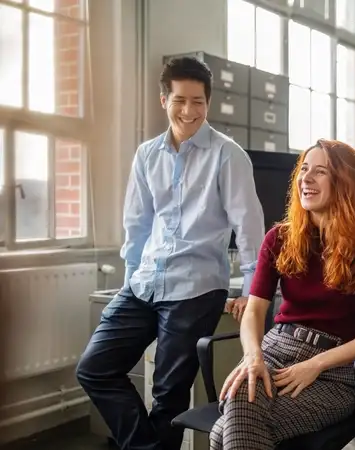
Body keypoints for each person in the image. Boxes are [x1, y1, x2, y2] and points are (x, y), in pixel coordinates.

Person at [76, 56, 265, 450]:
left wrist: (250, 289)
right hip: (144, 283)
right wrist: (130, 280)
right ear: (164, 100)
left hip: (197, 288)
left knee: (168, 395)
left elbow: (249, 229)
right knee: (94, 368)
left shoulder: (228, 156)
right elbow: (138, 224)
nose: (189, 110)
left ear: (208, 103)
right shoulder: (147, 155)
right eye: (180, 100)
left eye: (198, 101)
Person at [209, 139, 355, 450]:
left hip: (333, 372)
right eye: (304, 169)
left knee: (224, 432)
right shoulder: (279, 238)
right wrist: (253, 356)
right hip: (275, 350)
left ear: (344, 183)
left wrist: (316, 364)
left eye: (320, 172)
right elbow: (255, 312)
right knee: (245, 394)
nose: (306, 179)